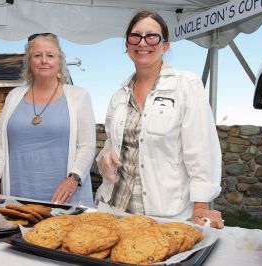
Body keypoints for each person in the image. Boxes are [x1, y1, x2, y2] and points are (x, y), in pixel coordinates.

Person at [95, 9, 224, 228]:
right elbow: (112, 143)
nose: (143, 42)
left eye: (152, 36)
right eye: (135, 36)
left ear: (165, 45)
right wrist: (106, 156)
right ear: (127, 45)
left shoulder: (186, 85)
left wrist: (201, 207)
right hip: (113, 209)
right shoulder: (118, 96)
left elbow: (202, 151)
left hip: (163, 216)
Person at [0, 33, 96, 207]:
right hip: (17, 197)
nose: (44, 60)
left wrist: (74, 178)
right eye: (37, 55)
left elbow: (87, 146)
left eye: (50, 55)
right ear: (29, 62)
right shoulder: (14, 96)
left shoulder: (78, 96)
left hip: (65, 198)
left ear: (59, 61)